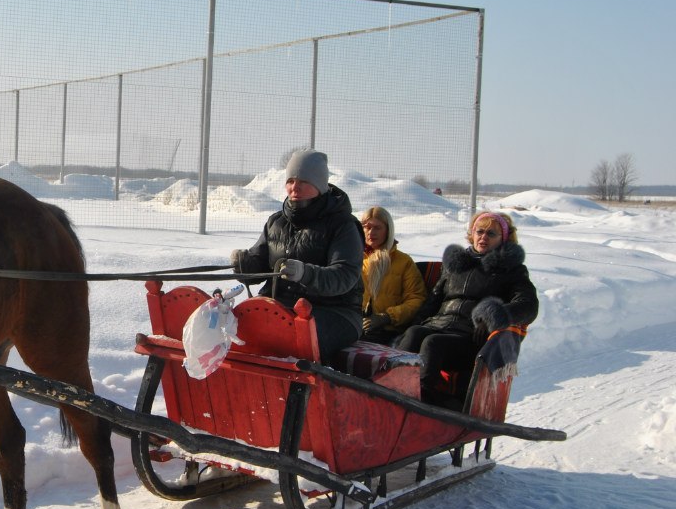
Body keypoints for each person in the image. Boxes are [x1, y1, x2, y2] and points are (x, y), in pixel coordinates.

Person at [395, 211, 538, 410]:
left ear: (503, 238)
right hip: (439, 325)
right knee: (414, 333)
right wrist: (414, 323)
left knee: (432, 342)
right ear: (472, 233)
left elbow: (528, 305)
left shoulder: (512, 270)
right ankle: (392, 387)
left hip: (470, 338)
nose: (483, 237)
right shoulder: (456, 265)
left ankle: (421, 396)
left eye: (491, 234)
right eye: (480, 231)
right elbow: (433, 302)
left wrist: (492, 316)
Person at [230, 150, 363, 361]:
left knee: (295, 337)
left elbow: (344, 276)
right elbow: (259, 266)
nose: (295, 187)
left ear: (320, 185)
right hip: (281, 306)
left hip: (336, 312)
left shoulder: (343, 225)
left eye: (303, 181)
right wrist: (244, 264)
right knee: (235, 327)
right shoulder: (276, 222)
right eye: (290, 180)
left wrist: (305, 273)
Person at [358, 206, 426, 345]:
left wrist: (387, 317)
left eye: (377, 228)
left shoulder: (403, 262)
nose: (371, 232)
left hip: (388, 330)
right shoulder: (353, 258)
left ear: (388, 230)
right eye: (367, 227)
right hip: (355, 324)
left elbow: (416, 300)